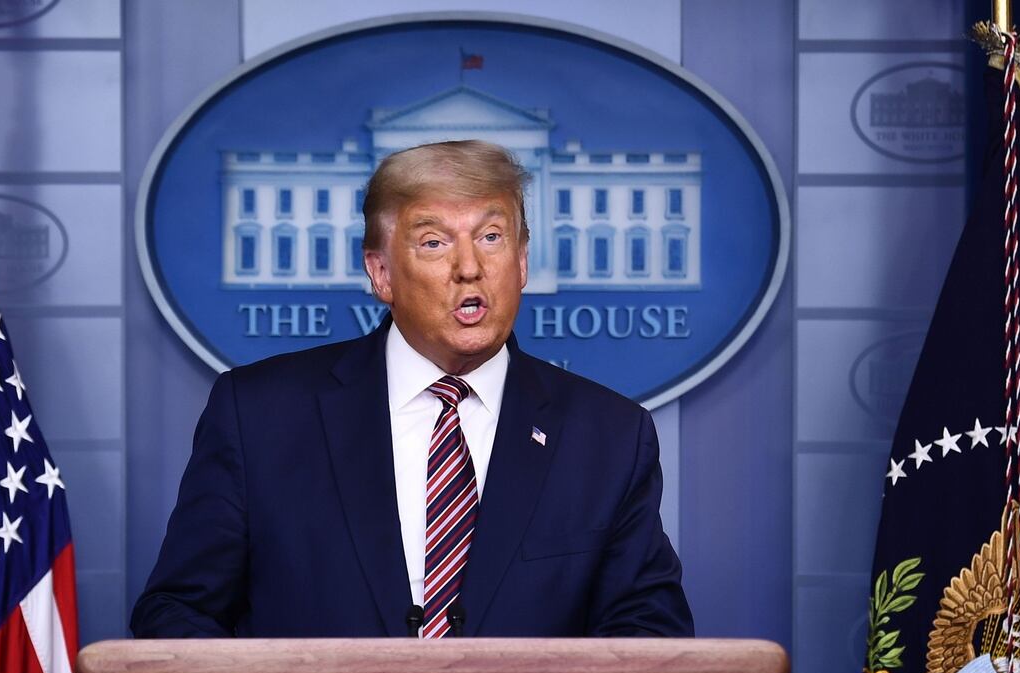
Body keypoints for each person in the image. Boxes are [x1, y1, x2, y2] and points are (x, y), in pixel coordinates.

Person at [131, 140, 693, 639]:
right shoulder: (259, 416)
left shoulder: (610, 434)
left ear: (521, 261)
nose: (469, 267)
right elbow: (177, 614)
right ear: (380, 273)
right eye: (433, 243)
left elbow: (649, 633)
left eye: (491, 237)